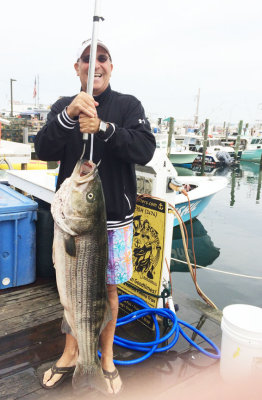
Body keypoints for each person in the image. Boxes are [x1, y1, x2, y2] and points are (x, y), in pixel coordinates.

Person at [34, 39, 156, 395]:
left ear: (111, 66)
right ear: (77, 67)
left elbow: (144, 148)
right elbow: (43, 149)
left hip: (113, 221)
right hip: (73, 221)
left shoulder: (128, 105)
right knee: (72, 291)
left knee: (110, 292)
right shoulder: (63, 107)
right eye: (88, 59)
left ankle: (105, 359)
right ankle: (72, 354)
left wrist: (103, 127)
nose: (95, 64)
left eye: (102, 58)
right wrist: (70, 116)